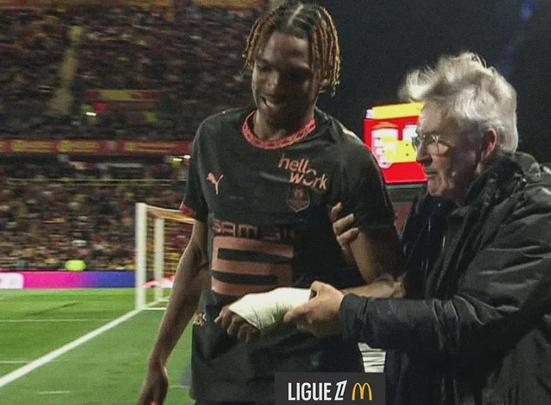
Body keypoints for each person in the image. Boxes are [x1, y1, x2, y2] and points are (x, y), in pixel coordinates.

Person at [137, 2, 402, 405]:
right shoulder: (213, 138)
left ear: (323, 76)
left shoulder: (347, 161)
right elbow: (199, 256)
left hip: (316, 383)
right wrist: (157, 358)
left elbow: (393, 288)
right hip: (221, 378)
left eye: (296, 75)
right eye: (264, 68)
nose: (275, 86)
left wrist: (285, 303)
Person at [285, 52, 551, 404]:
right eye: (419, 138)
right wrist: (355, 258)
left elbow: (468, 322)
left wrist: (348, 313)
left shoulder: (537, 212)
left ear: (486, 144)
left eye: (435, 140)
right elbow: (407, 294)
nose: (419, 155)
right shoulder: (434, 204)